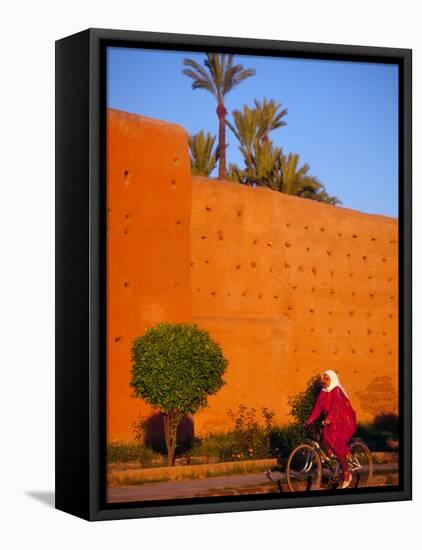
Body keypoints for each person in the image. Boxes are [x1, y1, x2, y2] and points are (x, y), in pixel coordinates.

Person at [304, 370, 357, 489]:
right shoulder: (323, 392)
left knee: (337, 445)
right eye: (324, 378)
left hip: (344, 421)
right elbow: (317, 408)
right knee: (322, 436)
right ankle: (336, 458)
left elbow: (337, 406)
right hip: (332, 421)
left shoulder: (337, 390)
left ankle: (347, 474)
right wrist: (309, 421)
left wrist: (329, 419)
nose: (324, 381)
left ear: (332, 379)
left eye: (327, 379)